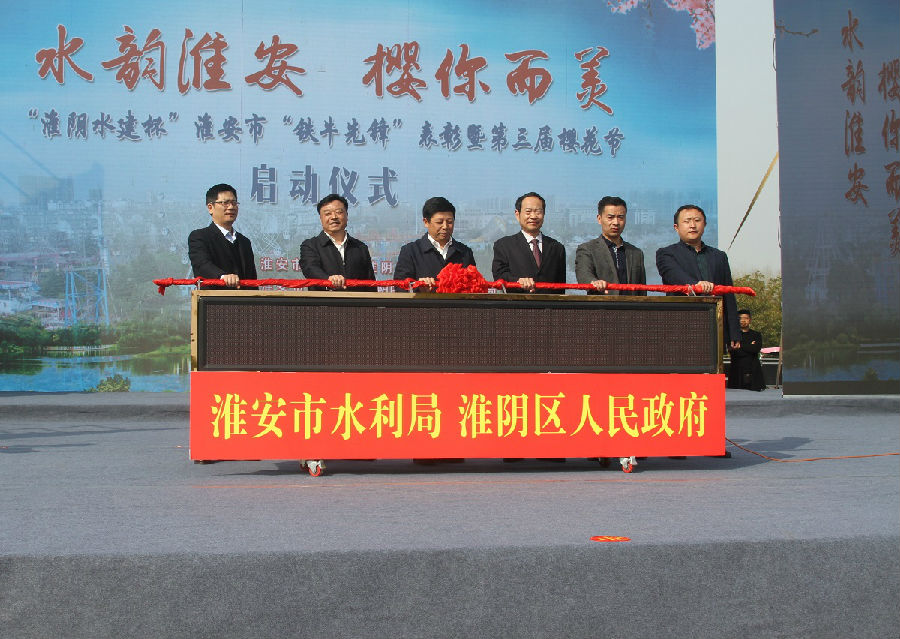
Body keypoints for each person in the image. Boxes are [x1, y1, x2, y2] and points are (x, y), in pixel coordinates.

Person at [395, 196, 476, 292]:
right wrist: (418, 288)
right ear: (426, 222)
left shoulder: (465, 252)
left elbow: (474, 286)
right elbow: (400, 287)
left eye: (449, 222)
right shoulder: (410, 251)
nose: (445, 226)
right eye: (439, 222)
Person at [491, 192, 566, 293]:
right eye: (528, 212)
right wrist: (518, 281)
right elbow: (499, 276)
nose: (533, 216)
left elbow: (560, 287)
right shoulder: (504, 245)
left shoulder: (557, 248)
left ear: (544, 214)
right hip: (517, 302)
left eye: (538, 212)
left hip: (549, 303)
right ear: (517, 214)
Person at [300, 194, 376, 292]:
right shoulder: (311, 246)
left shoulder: (360, 247)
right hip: (324, 300)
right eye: (328, 214)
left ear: (346, 215)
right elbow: (310, 269)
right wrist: (328, 280)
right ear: (321, 219)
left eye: (339, 212)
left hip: (355, 301)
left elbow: (370, 283)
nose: (334, 217)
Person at [188, 183, 257, 289]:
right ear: (210, 208)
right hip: (213, 298)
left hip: (244, 299)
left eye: (234, 203)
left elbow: (252, 279)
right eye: (225, 203)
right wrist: (223, 277)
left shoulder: (244, 242)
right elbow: (202, 265)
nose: (231, 207)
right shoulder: (199, 237)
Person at [575, 196, 646, 295]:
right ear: (599, 219)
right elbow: (583, 274)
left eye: (620, 217)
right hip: (602, 304)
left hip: (631, 304)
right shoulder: (587, 249)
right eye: (610, 217)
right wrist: (594, 282)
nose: (616, 222)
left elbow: (642, 291)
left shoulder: (636, 253)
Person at [728, 309, 766, 391]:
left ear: (750, 320)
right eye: (740, 318)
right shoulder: (732, 336)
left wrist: (740, 345)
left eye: (746, 318)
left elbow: (756, 349)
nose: (743, 320)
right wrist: (749, 346)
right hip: (737, 372)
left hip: (753, 372)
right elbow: (733, 351)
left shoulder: (756, 334)